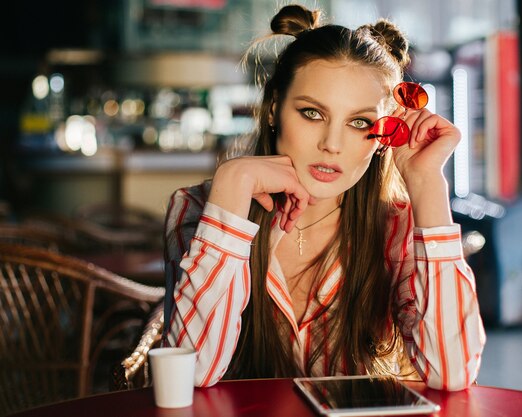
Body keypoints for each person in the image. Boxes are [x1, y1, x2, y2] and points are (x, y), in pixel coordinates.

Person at [163, 3, 485, 391]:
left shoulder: (397, 226)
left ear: (384, 134)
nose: (331, 145)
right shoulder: (198, 208)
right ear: (274, 108)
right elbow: (192, 373)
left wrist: (427, 183)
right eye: (312, 113)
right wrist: (233, 182)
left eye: (359, 122)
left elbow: (452, 373)